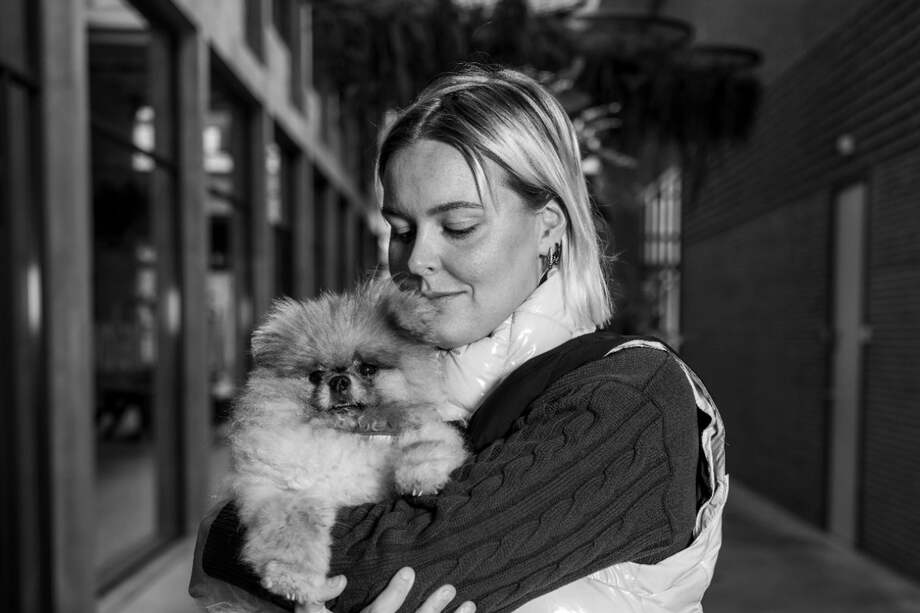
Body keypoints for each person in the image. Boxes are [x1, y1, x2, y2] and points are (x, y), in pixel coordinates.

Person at [189, 65, 728, 613]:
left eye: (458, 226)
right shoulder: (402, 393)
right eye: (401, 230)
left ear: (549, 224)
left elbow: (391, 567)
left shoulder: (631, 397)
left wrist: (224, 532)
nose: (417, 259)